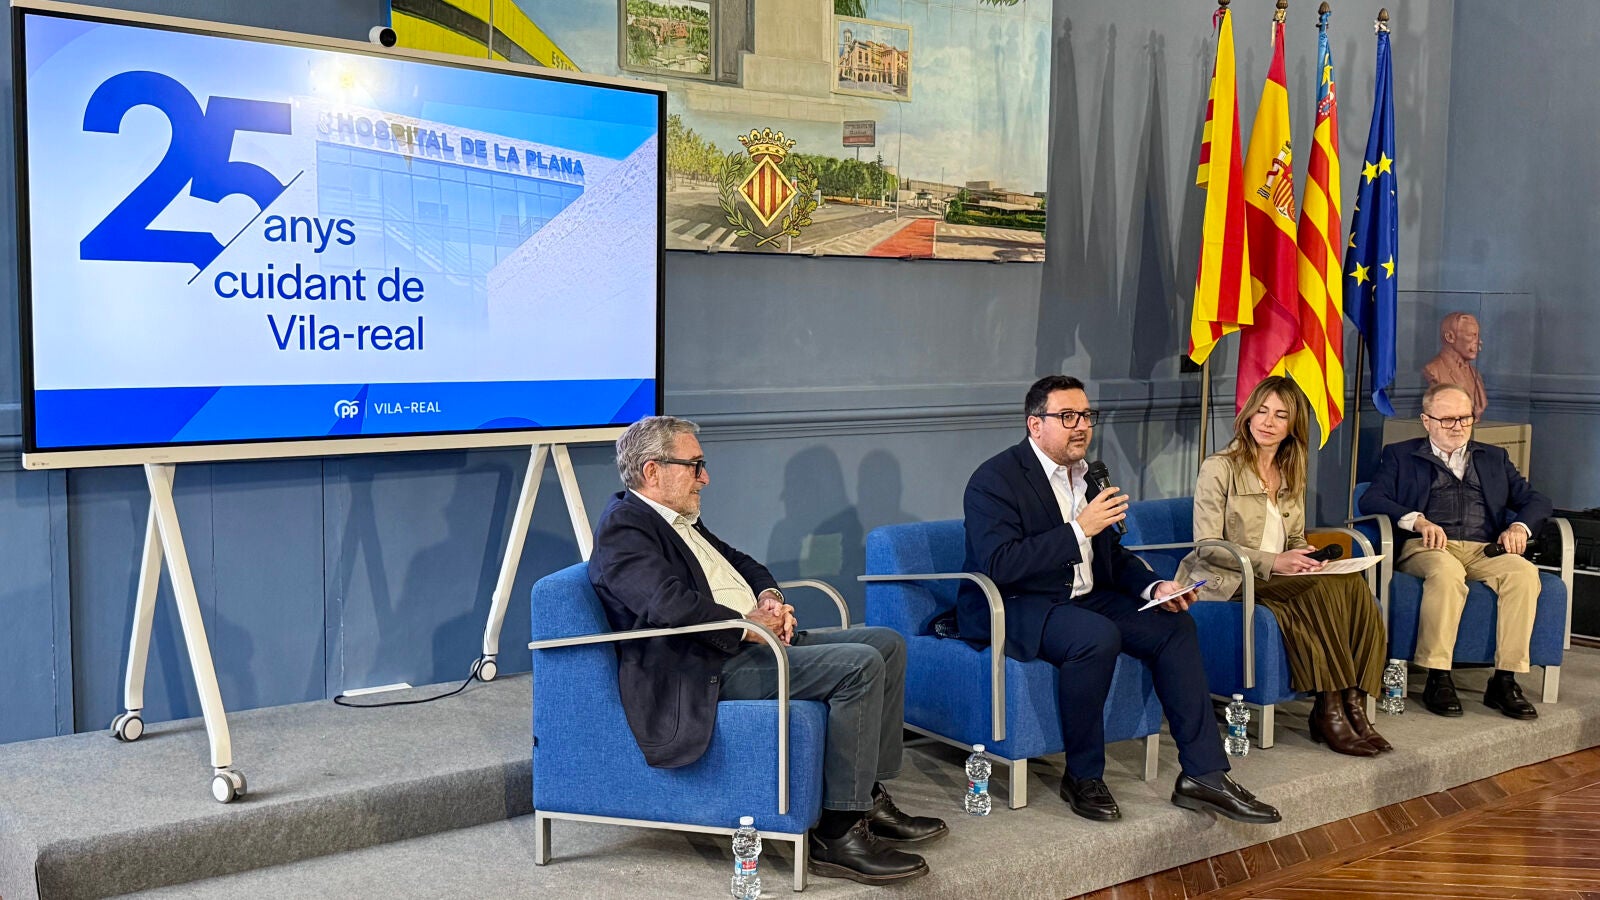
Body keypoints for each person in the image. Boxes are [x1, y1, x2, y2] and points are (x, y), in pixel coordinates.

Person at [589, 416, 945, 886]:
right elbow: (665, 604)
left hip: (746, 644)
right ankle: (837, 834)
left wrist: (770, 599)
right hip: (703, 669)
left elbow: (742, 562)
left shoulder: (679, 520)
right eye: (695, 465)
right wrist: (748, 627)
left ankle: (867, 799)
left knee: (886, 643)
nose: (705, 477)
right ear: (652, 471)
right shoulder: (624, 528)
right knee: (858, 666)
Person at [959, 375, 1281, 825]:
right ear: (1035, 424)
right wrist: (1079, 529)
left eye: (1086, 415)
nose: (1081, 426)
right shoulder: (995, 479)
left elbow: (1111, 555)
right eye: (1067, 416)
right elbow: (999, 564)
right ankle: (1083, 776)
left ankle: (1204, 775)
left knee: (1173, 626)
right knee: (1095, 636)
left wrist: (1154, 588)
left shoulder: (1088, 476)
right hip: (1019, 603)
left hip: (1084, 596)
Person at [1176, 376, 1390, 757]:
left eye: (1280, 415)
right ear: (1248, 415)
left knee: (1352, 584)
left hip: (1279, 575)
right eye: (1261, 411)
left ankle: (1354, 705)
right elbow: (1207, 546)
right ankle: (1328, 709)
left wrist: (1305, 555)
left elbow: (1293, 536)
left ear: (1293, 426)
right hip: (1231, 578)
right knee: (1321, 590)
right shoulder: (1219, 467)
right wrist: (1275, 561)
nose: (1268, 422)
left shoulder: (1292, 467)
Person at [1361, 382, 1552, 719]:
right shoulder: (1400, 455)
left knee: (1523, 573)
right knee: (1447, 573)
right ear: (1426, 420)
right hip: (1430, 546)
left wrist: (1518, 527)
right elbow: (1372, 498)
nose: (1458, 427)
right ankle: (1438, 677)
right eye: (1447, 419)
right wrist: (1418, 521)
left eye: (1465, 418)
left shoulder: (1494, 457)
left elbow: (1536, 500)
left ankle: (1505, 680)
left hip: (1485, 549)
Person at [1421, 312, 1487, 420]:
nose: (1479, 341)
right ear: (1450, 337)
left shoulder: (1475, 374)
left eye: (1477, 336)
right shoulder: (1433, 370)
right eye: (1471, 335)